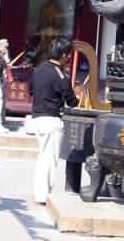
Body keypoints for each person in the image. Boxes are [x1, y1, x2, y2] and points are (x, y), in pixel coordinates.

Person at [28, 37, 80, 204]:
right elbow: (71, 101)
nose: (70, 58)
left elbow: (30, 90)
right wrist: (77, 96)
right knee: (49, 159)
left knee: (43, 157)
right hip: (51, 119)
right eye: (69, 55)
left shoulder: (38, 69)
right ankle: (43, 194)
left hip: (37, 118)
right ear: (63, 55)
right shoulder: (61, 75)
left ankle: (39, 191)